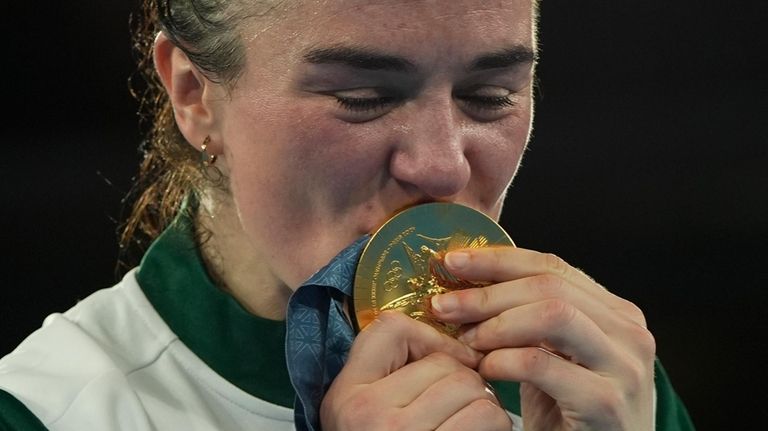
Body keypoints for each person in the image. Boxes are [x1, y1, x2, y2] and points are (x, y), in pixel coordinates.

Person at [0, 0, 695, 430]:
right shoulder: (48, 411)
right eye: (364, 96)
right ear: (194, 95)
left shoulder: (602, 385)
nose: (442, 163)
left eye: (490, 95)